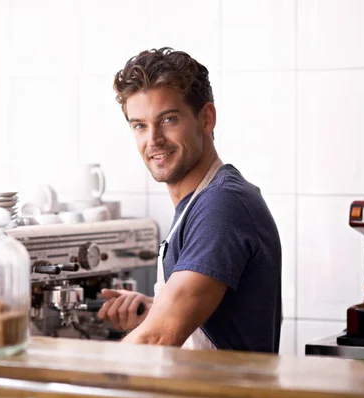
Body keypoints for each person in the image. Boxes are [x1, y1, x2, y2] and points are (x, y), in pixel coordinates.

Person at [97, 47, 282, 353]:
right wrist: (155, 309)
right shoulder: (198, 203)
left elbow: (157, 338)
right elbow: (217, 319)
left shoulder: (223, 204)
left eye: (168, 120)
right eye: (140, 125)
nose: (153, 139)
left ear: (206, 118)